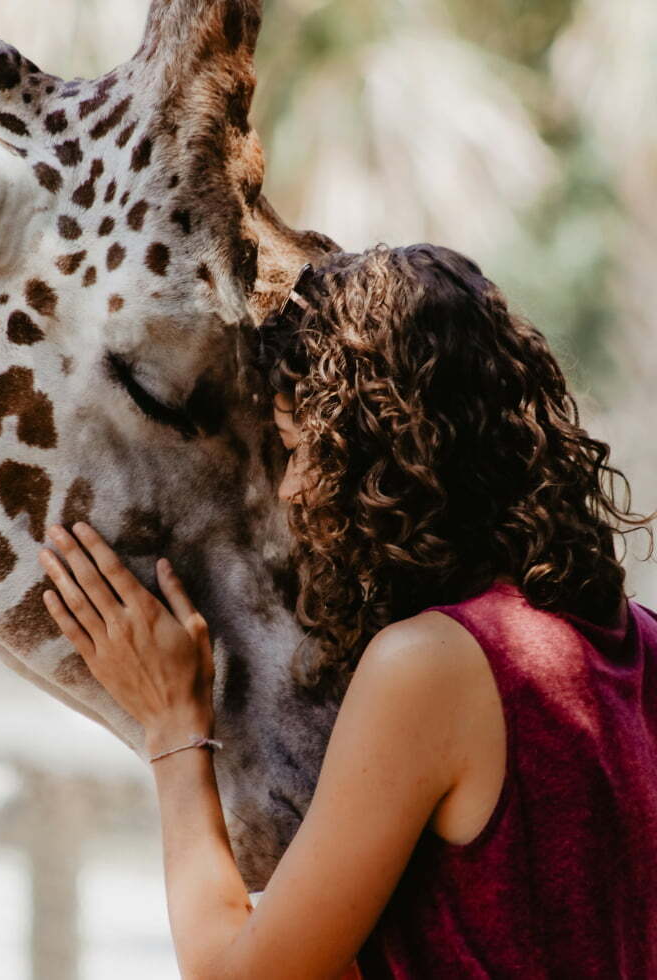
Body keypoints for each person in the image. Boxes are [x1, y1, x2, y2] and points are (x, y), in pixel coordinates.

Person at [37, 243, 657, 979]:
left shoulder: (435, 664)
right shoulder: (637, 637)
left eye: (302, 449)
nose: (294, 491)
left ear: (381, 456)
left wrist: (172, 726)